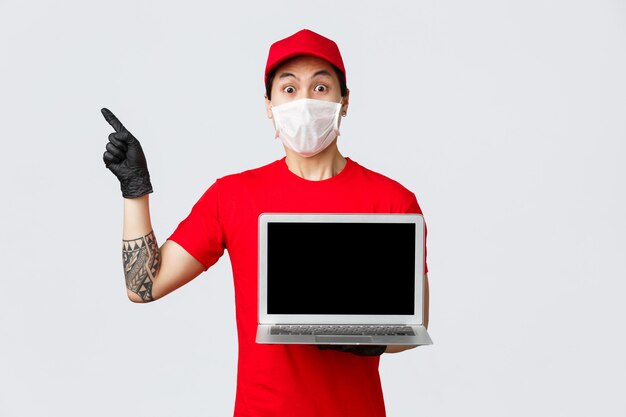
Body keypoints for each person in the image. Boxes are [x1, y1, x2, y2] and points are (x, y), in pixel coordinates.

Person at [101, 28, 429, 417]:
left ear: (345, 101)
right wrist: (135, 190)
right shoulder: (233, 196)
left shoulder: (392, 201)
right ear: (269, 105)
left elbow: (415, 323)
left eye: (320, 88)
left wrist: (369, 340)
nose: (304, 101)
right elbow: (144, 287)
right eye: (289, 90)